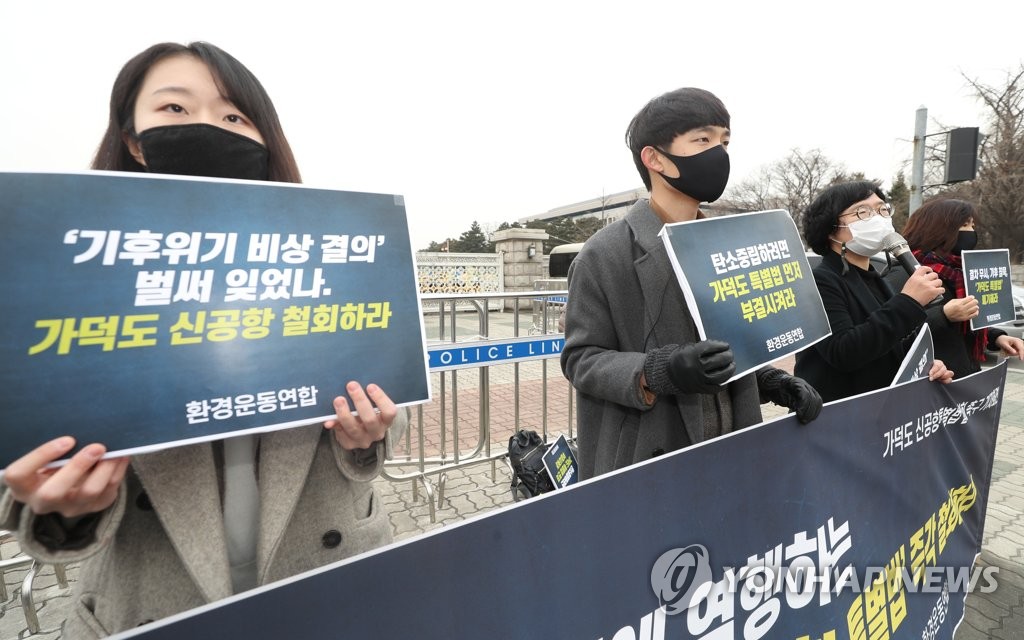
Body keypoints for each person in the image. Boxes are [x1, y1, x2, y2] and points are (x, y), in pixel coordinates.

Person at [0, 42, 408, 637]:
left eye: (233, 116)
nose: (207, 129)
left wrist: (367, 438)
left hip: (330, 583)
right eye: (173, 108)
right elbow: (31, 463)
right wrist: (63, 508)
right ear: (133, 139)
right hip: (154, 601)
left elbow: (388, 403)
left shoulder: (331, 258)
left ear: (265, 137)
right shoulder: (60, 276)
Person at [560, 87, 822, 480]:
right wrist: (657, 370)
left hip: (733, 452)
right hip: (648, 462)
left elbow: (736, 341)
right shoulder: (604, 254)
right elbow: (580, 359)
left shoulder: (727, 244)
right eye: (702, 139)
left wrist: (771, 380)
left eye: (724, 141)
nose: (718, 153)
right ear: (654, 158)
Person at [794, 180, 954, 402]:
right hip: (835, 416)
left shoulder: (874, 277)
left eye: (882, 209)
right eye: (862, 212)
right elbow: (843, 352)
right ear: (831, 230)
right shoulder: (820, 281)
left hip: (878, 413)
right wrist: (908, 301)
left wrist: (925, 364)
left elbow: (887, 345)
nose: (878, 218)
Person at [884, 197, 1024, 376]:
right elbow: (890, 334)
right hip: (929, 386)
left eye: (973, 226)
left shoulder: (958, 274)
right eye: (965, 225)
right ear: (940, 229)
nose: (972, 232)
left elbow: (963, 327)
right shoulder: (904, 275)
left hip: (964, 384)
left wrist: (996, 337)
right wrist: (944, 315)